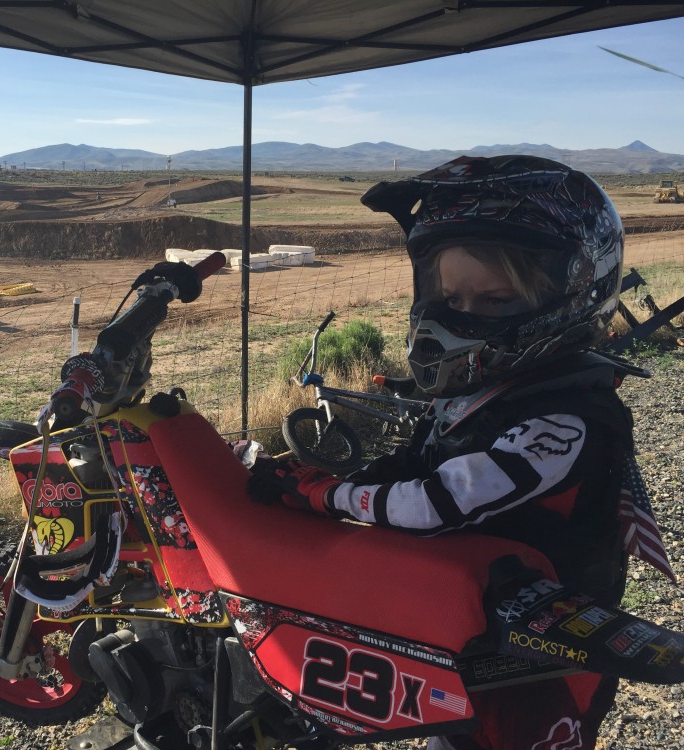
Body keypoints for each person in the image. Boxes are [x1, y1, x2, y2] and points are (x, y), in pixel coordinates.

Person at [249, 155, 673, 750]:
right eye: (448, 296)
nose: (460, 316)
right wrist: (312, 488)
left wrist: (329, 495)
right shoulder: (482, 396)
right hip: (470, 634)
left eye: (494, 300)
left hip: (543, 664)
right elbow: (418, 461)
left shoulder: (569, 416)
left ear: (576, 291)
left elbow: (439, 501)